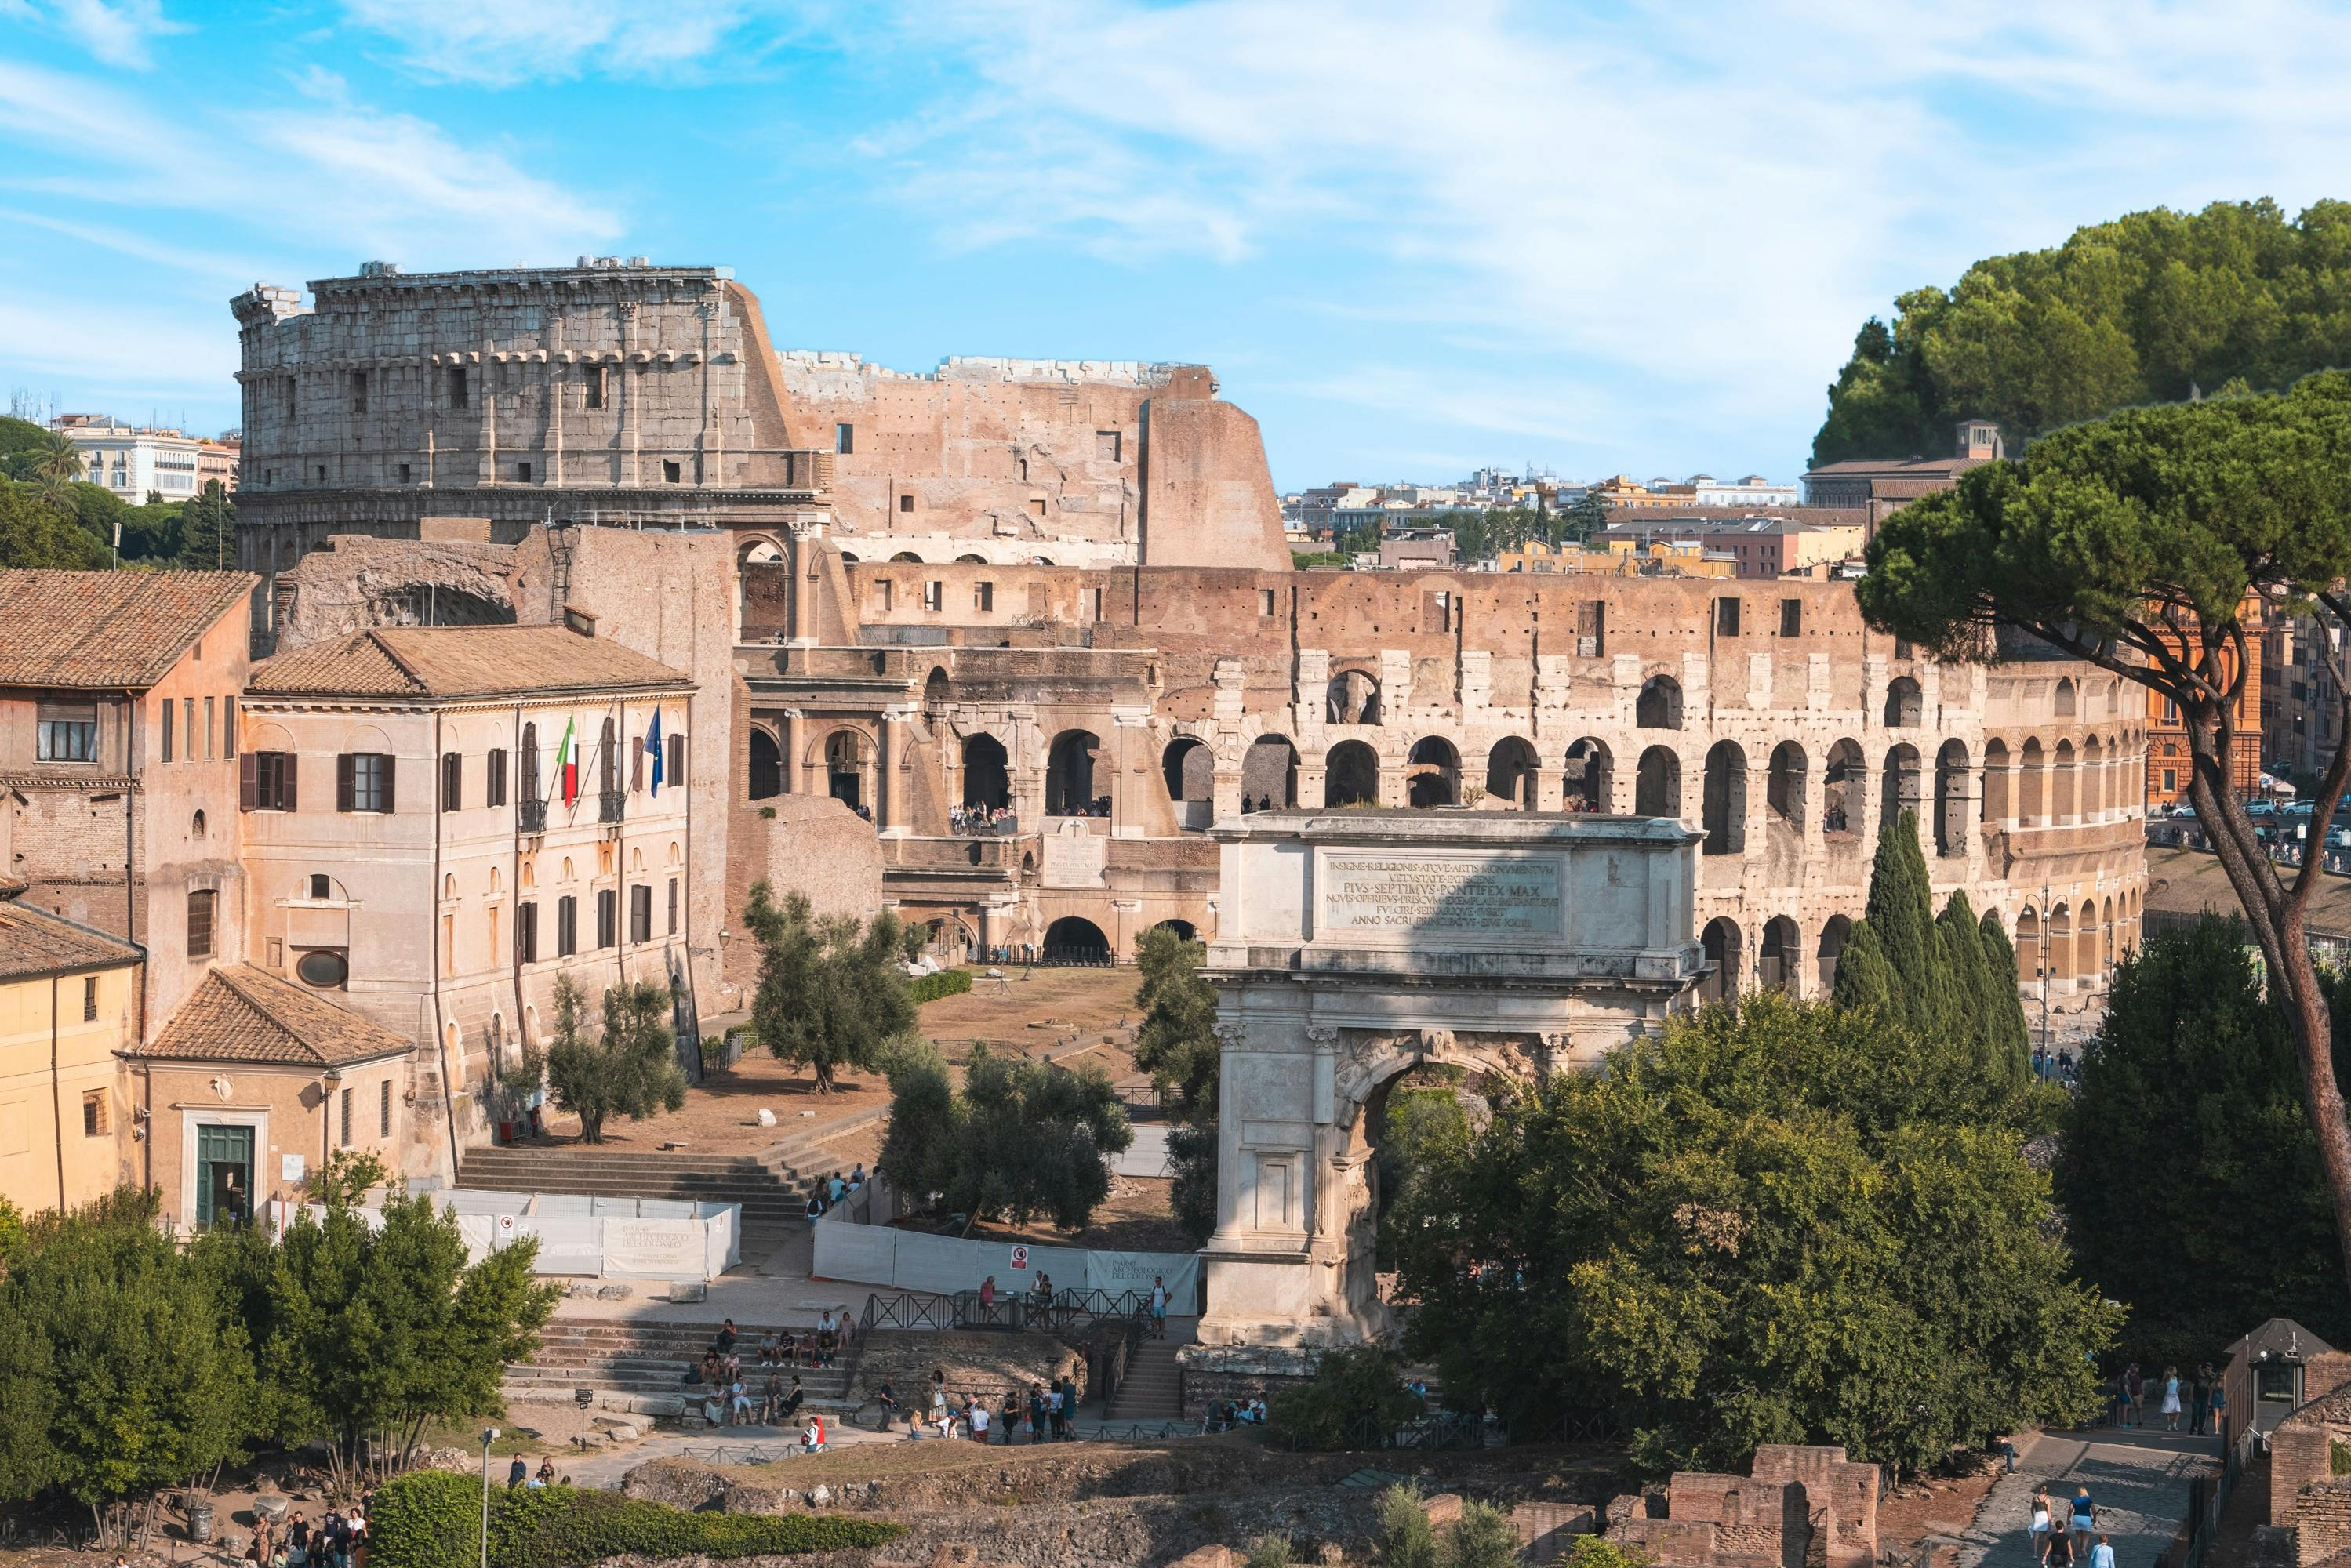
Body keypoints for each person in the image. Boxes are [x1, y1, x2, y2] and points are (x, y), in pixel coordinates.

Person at [2029, 1486, 2054, 1565]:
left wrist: (2033, 1516)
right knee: (2045, 1535)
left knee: (2036, 1537)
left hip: (2037, 1516)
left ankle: (2035, 1554)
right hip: (2044, 1517)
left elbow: (2032, 1509)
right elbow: (2049, 1511)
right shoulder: (2048, 1500)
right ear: (2046, 1492)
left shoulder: (2035, 1498)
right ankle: (2043, 1552)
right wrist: (2050, 1521)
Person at [2070, 1486, 2096, 1560]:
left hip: (2077, 1518)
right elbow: (2093, 1509)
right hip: (2086, 1518)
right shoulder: (2089, 1500)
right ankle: (2083, 1548)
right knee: (2086, 1535)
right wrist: (2095, 1518)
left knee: (2078, 1536)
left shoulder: (2074, 1499)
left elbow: (2070, 1510)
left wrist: (2068, 1518)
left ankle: (2079, 1552)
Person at [2162, 1365, 2183, 1432]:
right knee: (2168, 1412)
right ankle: (2169, 1425)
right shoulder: (2167, 1378)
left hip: (2175, 1396)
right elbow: (2166, 1386)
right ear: (2171, 1371)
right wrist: (2168, 1374)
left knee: (2178, 1410)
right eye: (2175, 1370)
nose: (2176, 1371)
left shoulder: (2176, 1378)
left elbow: (2177, 1389)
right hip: (2169, 1396)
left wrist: (2179, 1384)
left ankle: (2175, 1424)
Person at [1150, 1276, 1169, 1340]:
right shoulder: (1154, 1288)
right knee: (1155, 1320)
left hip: (1161, 1307)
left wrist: (1165, 1303)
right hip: (1155, 1306)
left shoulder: (1164, 1288)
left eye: (1158, 1281)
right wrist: (1151, 1305)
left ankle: (1161, 1334)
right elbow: (1151, 1297)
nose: (1157, 1282)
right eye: (1156, 1281)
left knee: (1162, 1320)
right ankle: (1155, 1334)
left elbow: (1169, 1296)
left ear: (1160, 1281)